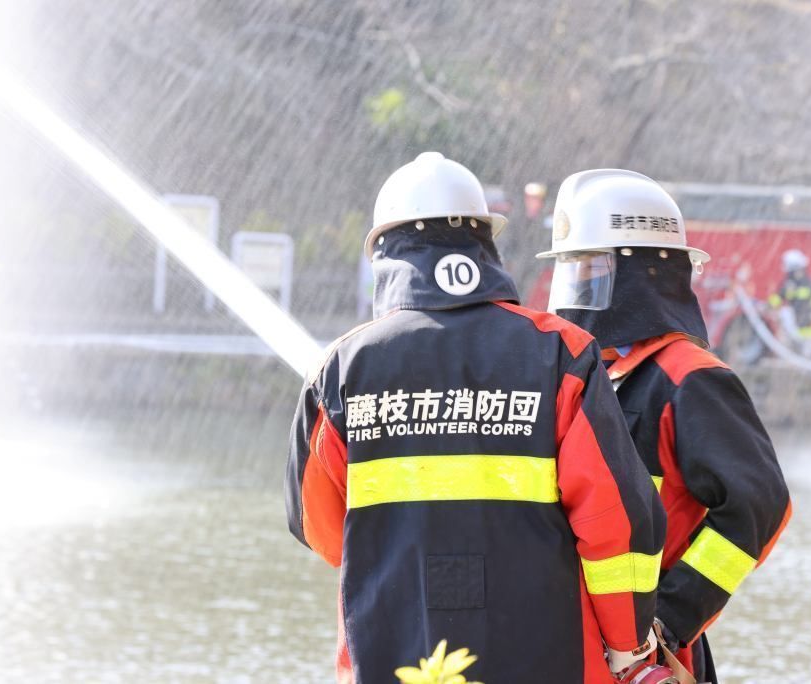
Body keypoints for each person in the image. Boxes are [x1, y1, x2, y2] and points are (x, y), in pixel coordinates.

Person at [285, 153, 666, 683]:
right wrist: (628, 645)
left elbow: (320, 530)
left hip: (390, 656)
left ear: (387, 254)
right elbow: (616, 522)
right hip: (548, 658)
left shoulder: (341, 369)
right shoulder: (561, 354)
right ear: (483, 244)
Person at [539, 169, 792, 683]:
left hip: (648, 659)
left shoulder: (691, 380)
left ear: (643, 274)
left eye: (592, 269)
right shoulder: (587, 376)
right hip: (574, 643)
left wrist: (669, 620)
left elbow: (758, 505)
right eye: (573, 270)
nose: (579, 289)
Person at [768, 249, 811, 340]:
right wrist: (768, 305)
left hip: (807, 325)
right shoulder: (788, 285)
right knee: (785, 312)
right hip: (794, 324)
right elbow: (779, 297)